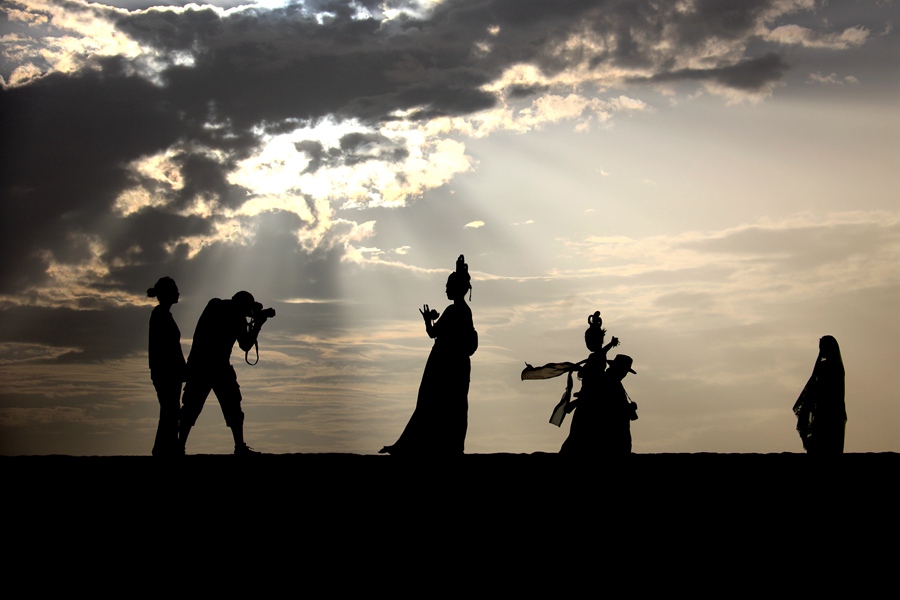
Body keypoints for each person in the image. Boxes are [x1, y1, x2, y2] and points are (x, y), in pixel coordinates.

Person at [380, 255, 477, 456]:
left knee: (435, 403)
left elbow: (434, 334)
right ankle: (447, 447)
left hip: (444, 365)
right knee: (451, 405)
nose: (446, 290)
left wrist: (428, 321)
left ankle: (426, 447)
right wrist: (430, 321)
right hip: (453, 365)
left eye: (449, 286)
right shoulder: (462, 311)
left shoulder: (454, 311)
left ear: (456, 288)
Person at [179, 291, 273, 455]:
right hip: (217, 367)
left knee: (191, 407)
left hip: (200, 365)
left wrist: (251, 315)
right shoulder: (236, 315)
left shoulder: (214, 305)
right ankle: (239, 446)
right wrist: (258, 324)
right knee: (231, 406)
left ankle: (179, 446)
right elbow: (245, 345)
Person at [560, 353, 638, 456]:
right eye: (624, 371)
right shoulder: (608, 381)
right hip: (607, 436)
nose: (624, 374)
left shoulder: (611, 381)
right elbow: (607, 407)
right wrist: (628, 409)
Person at [147, 276, 186, 457]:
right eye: (175, 290)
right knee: (170, 411)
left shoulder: (162, 314)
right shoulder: (161, 315)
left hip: (167, 371)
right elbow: (167, 347)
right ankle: (164, 451)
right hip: (166, 372)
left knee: (170, 410)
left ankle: (166, 449)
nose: (178, 293)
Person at [792, 335, 846, 454]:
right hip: (825, 413)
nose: (821, 351)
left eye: (823, 348)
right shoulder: (834, 367)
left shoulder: (831, 367)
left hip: (829, 414)